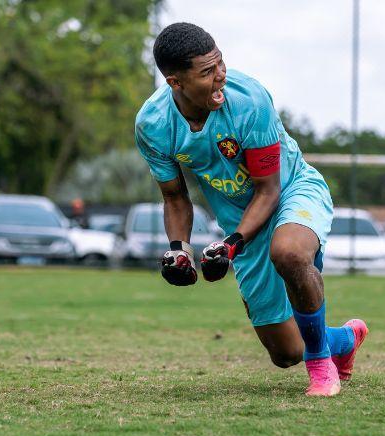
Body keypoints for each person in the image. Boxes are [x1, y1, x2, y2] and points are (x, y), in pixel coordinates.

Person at [135, 23, 367, 397]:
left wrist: (231, 244)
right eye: (207, 72)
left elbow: (268, 190)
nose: (220, 76)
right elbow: (175, 198)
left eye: (220, 63)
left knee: (288, 253)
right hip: (240, 220)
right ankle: (345, 339)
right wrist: (180, 250)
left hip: (291, 191)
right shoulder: (153, 124)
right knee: (286, 352)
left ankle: (321, 367)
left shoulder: (249, 101)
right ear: (175, 82)